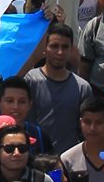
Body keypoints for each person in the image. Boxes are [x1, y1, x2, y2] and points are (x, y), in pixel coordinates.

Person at [24, 22, 92, 153]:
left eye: (65, 47)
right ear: (45, 48)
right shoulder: (30, 81)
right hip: (34, 158)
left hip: (68, 161)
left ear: (72, 49)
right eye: (54, 46)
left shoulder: (83, 88)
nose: (60, 52)